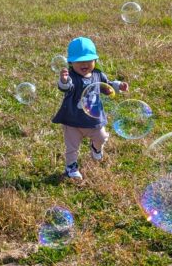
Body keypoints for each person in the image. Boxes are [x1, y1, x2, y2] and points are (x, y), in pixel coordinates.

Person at [52, 37, 129, 182]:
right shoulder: (72, 78)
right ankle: (71, 168)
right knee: (72, 147)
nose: (84, 64)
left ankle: (96, 148)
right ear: (71, 63)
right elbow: (66, 87)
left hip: (94, 119)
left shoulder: (98, 75)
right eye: (79, 61)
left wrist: (119, 86)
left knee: (101, 137)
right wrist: (63, 81)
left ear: (95, 60)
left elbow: (107, 86)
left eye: (88, 60)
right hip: (73, 121)